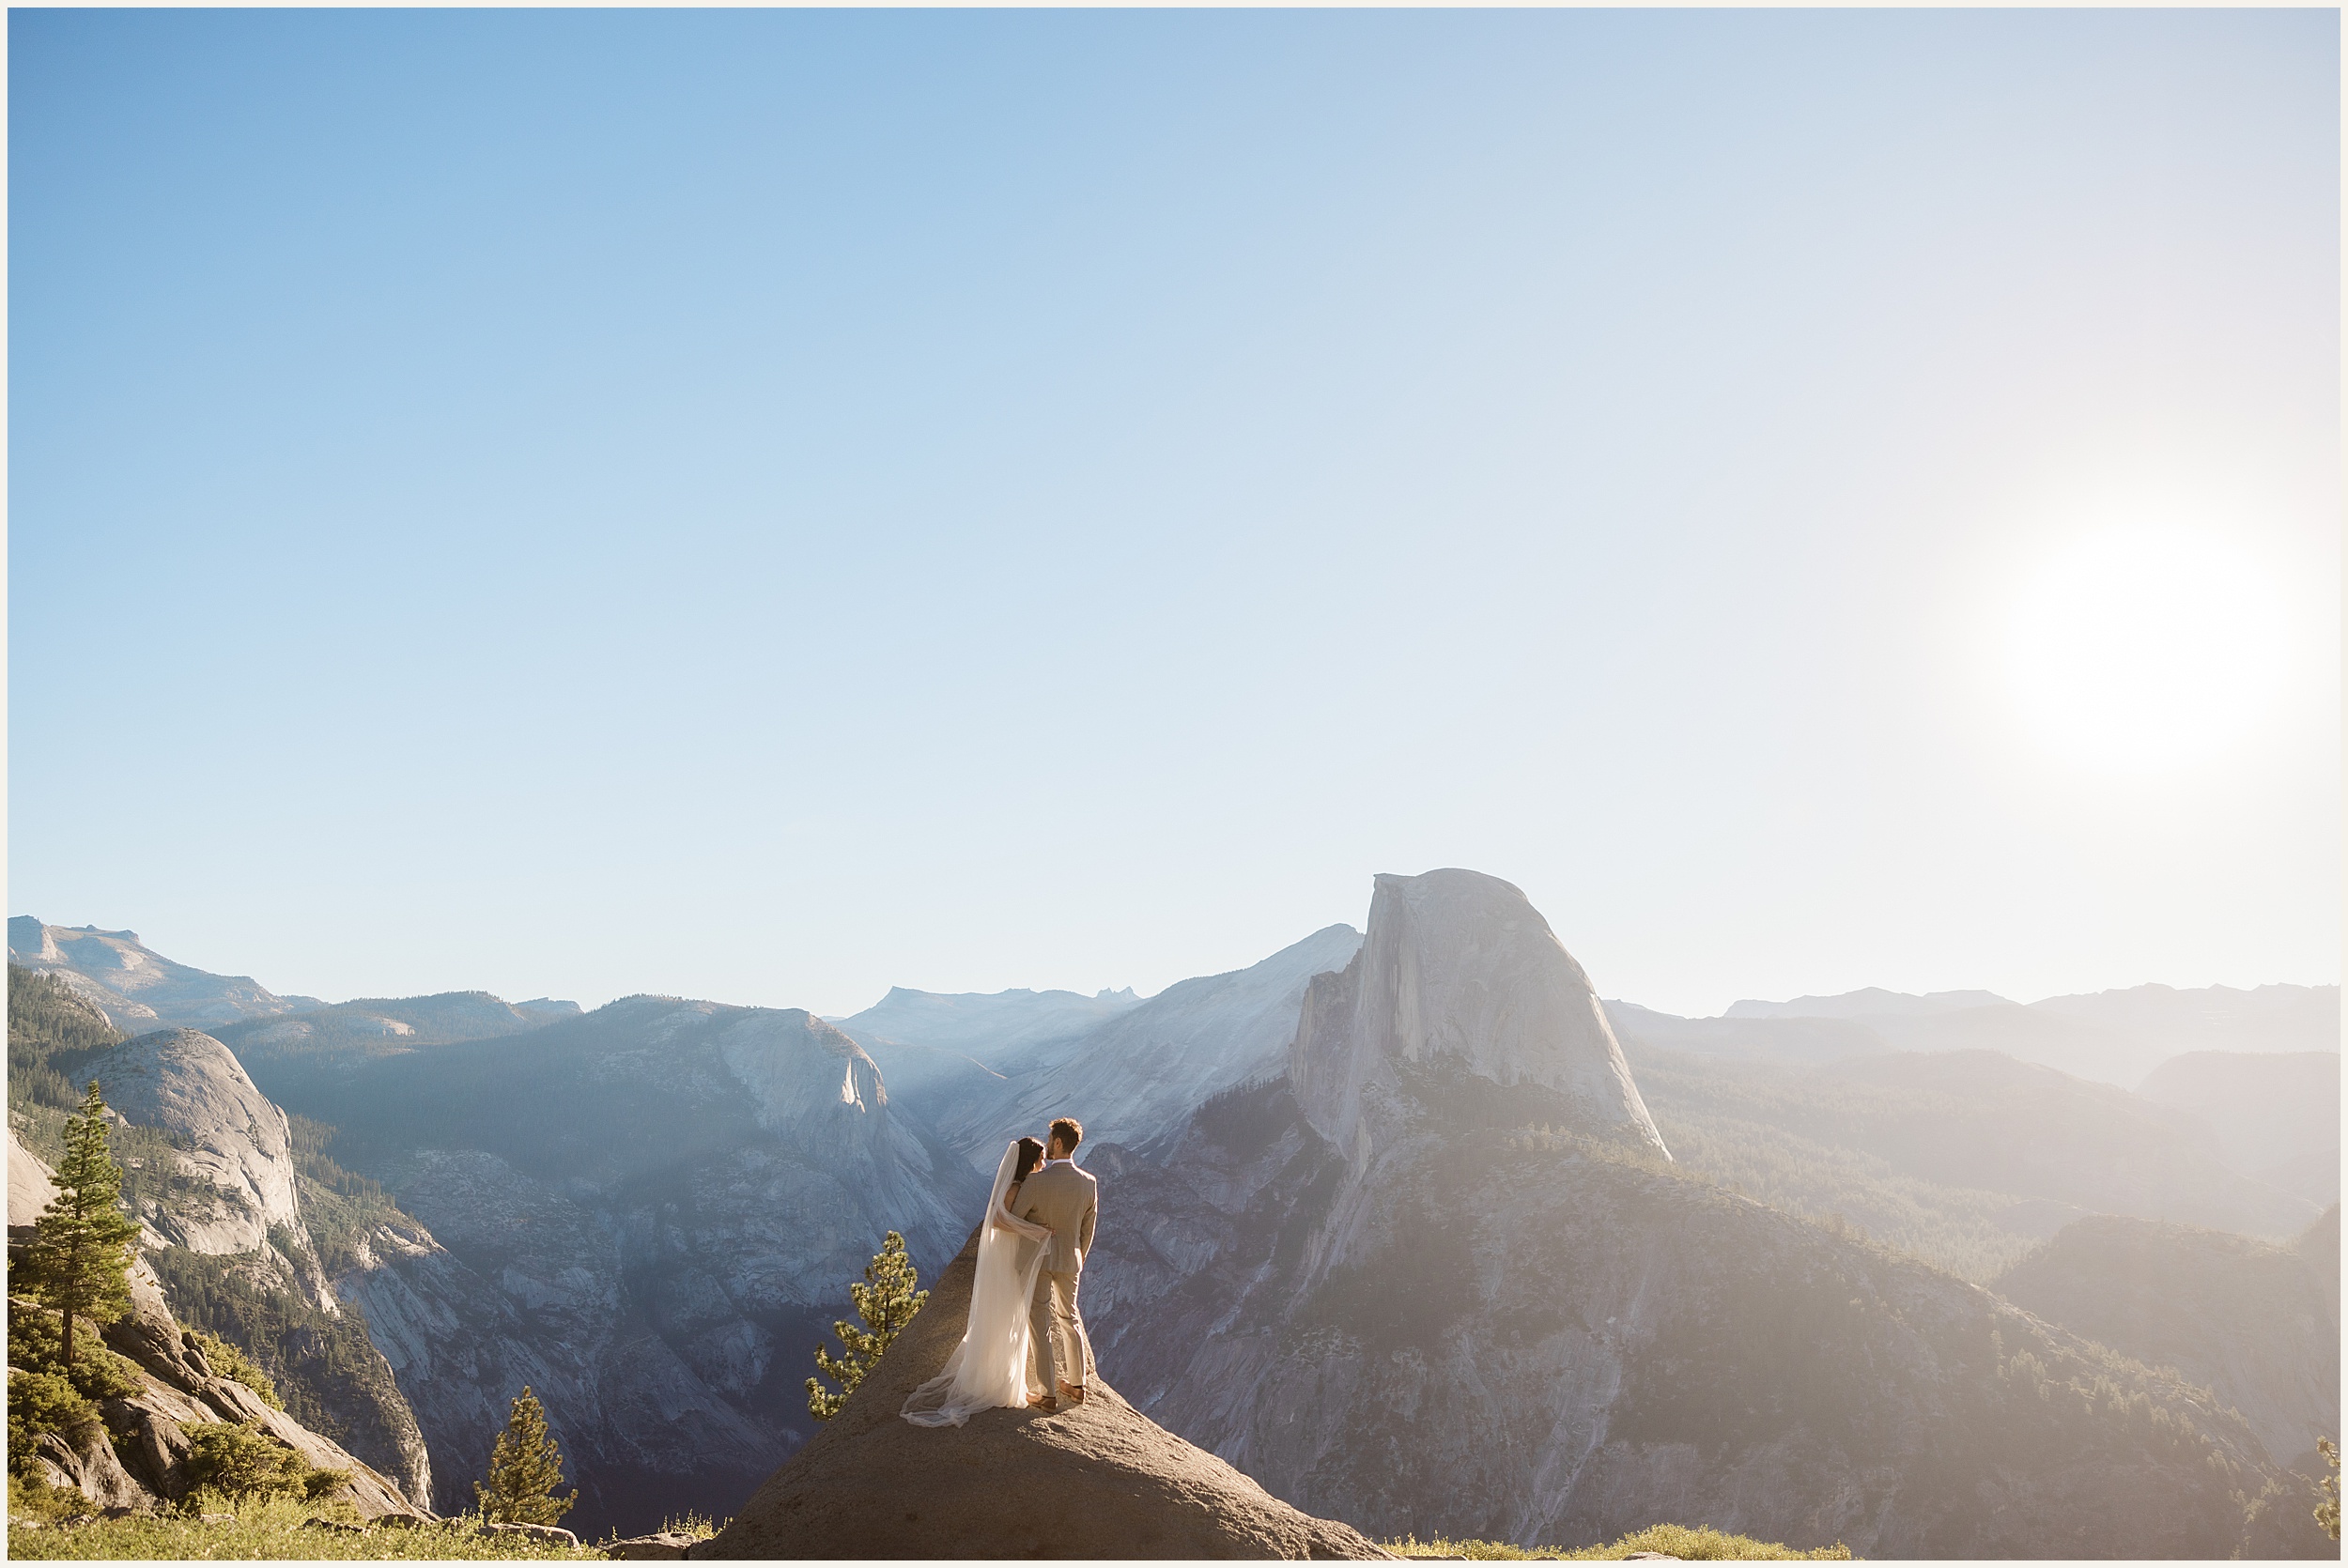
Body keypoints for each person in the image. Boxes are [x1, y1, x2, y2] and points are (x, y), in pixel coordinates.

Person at [899, 1136, 1054, 1427]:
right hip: (1007, 1260)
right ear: (1030, 1161)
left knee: (1005, 1321)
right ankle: (997, 1385)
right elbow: (997, 1220)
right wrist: (1036, 1231)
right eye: (1041, 1159)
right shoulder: (1015, 1188)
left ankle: (1004, 1382)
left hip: (1007, 1256)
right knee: (1006, 1321)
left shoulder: (1017, 1186)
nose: (1043, 1164)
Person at [1008, 1117, 1097, 1411]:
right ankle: (1078, 1385)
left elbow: (1016, 1218)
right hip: (1071, 1260)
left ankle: (1047, 1394)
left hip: (1040, 1258)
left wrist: (1038, 1226)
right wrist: (1076, 1256)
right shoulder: (1088, 1183)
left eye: (1049, 1139)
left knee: (1040, 1323)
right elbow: (1088, 1231)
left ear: (1058, 1143)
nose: (1046, 1145)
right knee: (1069, 1319)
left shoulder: (1035, 1182)